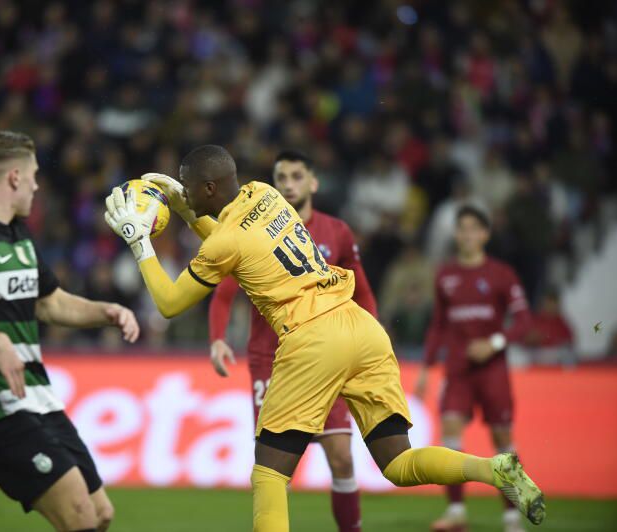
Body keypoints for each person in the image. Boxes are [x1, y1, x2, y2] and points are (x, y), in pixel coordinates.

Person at [104, 145, 545, 532]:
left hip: (312, 341)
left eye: (187, 186)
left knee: (270, 475)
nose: (180, 191)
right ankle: (494, 469)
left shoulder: (223, 242)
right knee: (398, 463)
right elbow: (230, 240)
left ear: (210, 189)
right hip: (360, 328)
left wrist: (139, 241)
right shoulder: (266, 193)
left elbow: (169, 302)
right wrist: (184, 209)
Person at [0, 131, 140, 532]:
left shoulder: (18, 236)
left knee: (100, 513)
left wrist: (106, 311)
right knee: (78, 513)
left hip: (37, 397)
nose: (37, 184)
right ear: (14, 177)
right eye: (33, 175)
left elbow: (51, 303)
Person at [207, 150, 377, 532]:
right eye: (281, 177)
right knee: (272, 468)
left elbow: (362, 292)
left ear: (313, 182)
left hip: (325, 356)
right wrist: (217, 339)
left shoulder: (338, 232)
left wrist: (371, 341)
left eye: (297, 176)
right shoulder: (256, 231)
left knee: (342, 457)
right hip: (271, 358)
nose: (288, 184)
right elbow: (223, 292)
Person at [415, 205, 534, 532]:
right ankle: (456, 512)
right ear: (456, 234)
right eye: (461, 229)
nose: (466, 235)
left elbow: (524, 321)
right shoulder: (446, 275)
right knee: (450, 434)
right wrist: (426, 367)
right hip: (458, 372)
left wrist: (494, 343)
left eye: (473, 229)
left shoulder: (501, 274)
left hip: (493, 370)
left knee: (502, 439)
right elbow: (438, 324)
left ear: (485, 234)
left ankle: (511, 516)